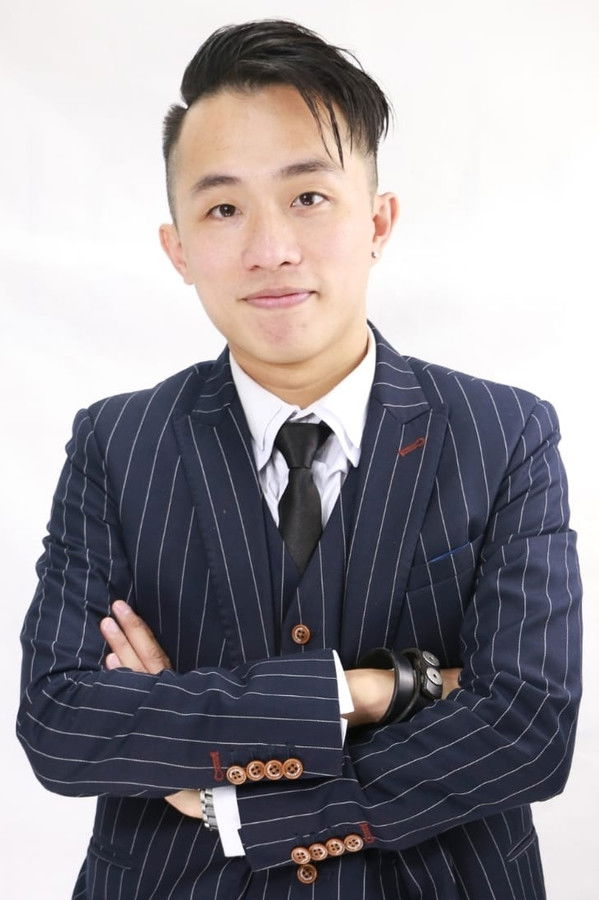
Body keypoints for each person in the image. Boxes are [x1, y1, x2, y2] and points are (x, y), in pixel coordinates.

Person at [17, 19, 582, 900]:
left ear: (377, 221)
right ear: (177, 248)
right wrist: (358, 693)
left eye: (308, 197)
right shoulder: (115, 442)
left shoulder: (504, 432)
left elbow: (526, 727)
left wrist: (233, 803)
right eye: (223, 208)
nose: (271, 248)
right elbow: (61, 722)